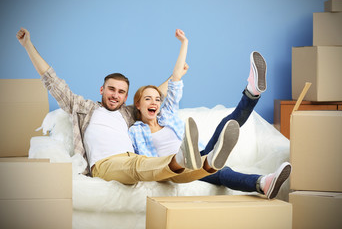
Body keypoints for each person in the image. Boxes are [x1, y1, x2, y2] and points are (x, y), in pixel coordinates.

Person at [16, 27, 235, 185]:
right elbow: (51, 79)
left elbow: (156, 93)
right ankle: (180, 158)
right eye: (111, 89)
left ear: (127, 97)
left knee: (172, 173)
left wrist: (177, 73)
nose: (115, 95)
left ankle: (210, 163)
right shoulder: (82, 107)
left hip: (135, 159)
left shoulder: (128, 113)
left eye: (121, 92)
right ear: (102, 90)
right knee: (139, 165)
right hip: (104, 165)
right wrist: (28, 45)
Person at [129, 29, 291, 199]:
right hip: (175, 168)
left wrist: (185, 43)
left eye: (157, 99)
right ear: (138, 105)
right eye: (148, 99)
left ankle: (252, 91)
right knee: (219, 172)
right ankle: (263, 183)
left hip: (196, 155)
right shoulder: (136, 131)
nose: (154, 102)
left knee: (225, 125)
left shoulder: (167, 115)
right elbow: (139, 163)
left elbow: (175, 79)